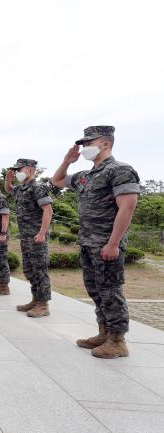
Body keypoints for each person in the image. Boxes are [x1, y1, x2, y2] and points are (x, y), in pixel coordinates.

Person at [52, 125, 140, 358]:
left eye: (88, 143)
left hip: (107, 243)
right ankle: (104, 332)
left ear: (106, 144)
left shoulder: (121, 170)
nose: (84, 148)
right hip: (88, 242)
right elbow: (57, 180)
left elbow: (127, 207)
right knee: (95, 290)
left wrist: (113, 243)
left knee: (110, 290)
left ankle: (118, 340)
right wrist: (67, 161)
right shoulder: (86, 175)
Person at [5, 159, 54, 317]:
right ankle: (35, 300)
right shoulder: (21, 189)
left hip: (36, 237)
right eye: (16, 169)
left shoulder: (37, 188)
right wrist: (8, 179)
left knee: (40, 270)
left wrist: (41, 233)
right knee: (29, 270)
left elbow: (48, 210)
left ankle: (43, 305)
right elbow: (9, 190)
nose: (18, 172)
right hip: (25, 237)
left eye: (21, 169)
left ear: (32, 170)